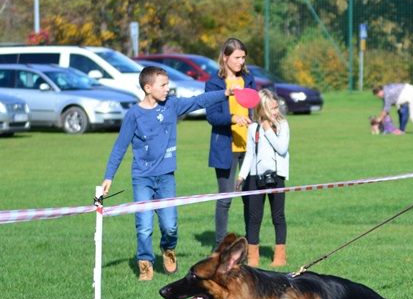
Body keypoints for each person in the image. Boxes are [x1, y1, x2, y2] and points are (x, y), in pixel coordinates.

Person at [101, 66, 232, 281]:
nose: (167, 88)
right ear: (148, 87)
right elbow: (119, 147)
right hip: (142, 178)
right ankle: (145, 262)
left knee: (170, 225)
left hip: (166, 177)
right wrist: (109, 177)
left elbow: (199, 100)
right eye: (163, 85)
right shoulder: (134, 115)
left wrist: (224, 93)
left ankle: (168, 249)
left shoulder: (172, 105)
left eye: (167, 84)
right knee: (144, 226)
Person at [205, 38, 257, 249]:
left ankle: (250, 245)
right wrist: (233, 118)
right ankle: (220, 247)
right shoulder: (214, 83)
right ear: (225, 57)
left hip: (249, 146)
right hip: (225, 148)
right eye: (237, 57)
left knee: (250, 199)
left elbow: (255, 106)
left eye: (243, 57)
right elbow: (212, 116)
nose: (241, 61)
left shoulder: (249, 79)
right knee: (226, 199)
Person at [235, 89, 290, 267]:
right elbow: (250, 154)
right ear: (262, 108)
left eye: (276, 107)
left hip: (277, 177)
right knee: (254, 217)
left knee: (278, 216)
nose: (276, 111)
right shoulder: (253, 128)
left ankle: (280, 257)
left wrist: (268, 129)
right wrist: (242, 175)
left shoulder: (283, 125)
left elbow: (282, 148)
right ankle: (252, 258)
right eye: (272, 108)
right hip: (255, 178)